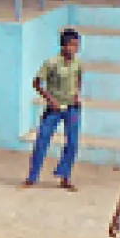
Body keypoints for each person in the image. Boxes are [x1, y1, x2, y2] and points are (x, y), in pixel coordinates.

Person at [25, 28, 84, 190]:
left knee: (72, 142)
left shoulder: (77, 63)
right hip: (55, 108)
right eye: (72, 45)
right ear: (64, 46)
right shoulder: (51, 63)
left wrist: (77, 94)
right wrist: (50, 100)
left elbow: (79, 77)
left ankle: (64, 175)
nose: (75, 48)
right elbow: (36, 83)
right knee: (42, 140)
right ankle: (33, 176)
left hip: (72, 107)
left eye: (77, 45)